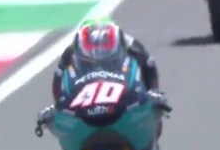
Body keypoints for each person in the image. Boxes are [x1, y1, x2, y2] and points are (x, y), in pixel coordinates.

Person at [40, 18, 170, 132]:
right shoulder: (70, 52)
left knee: (155, 125)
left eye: (109, 61)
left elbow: (149, 65)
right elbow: (58, 76)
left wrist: (153, 93)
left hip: (124, 98)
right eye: (88, 63)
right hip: (87, 106)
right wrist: (58, 107)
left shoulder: (131, 45)